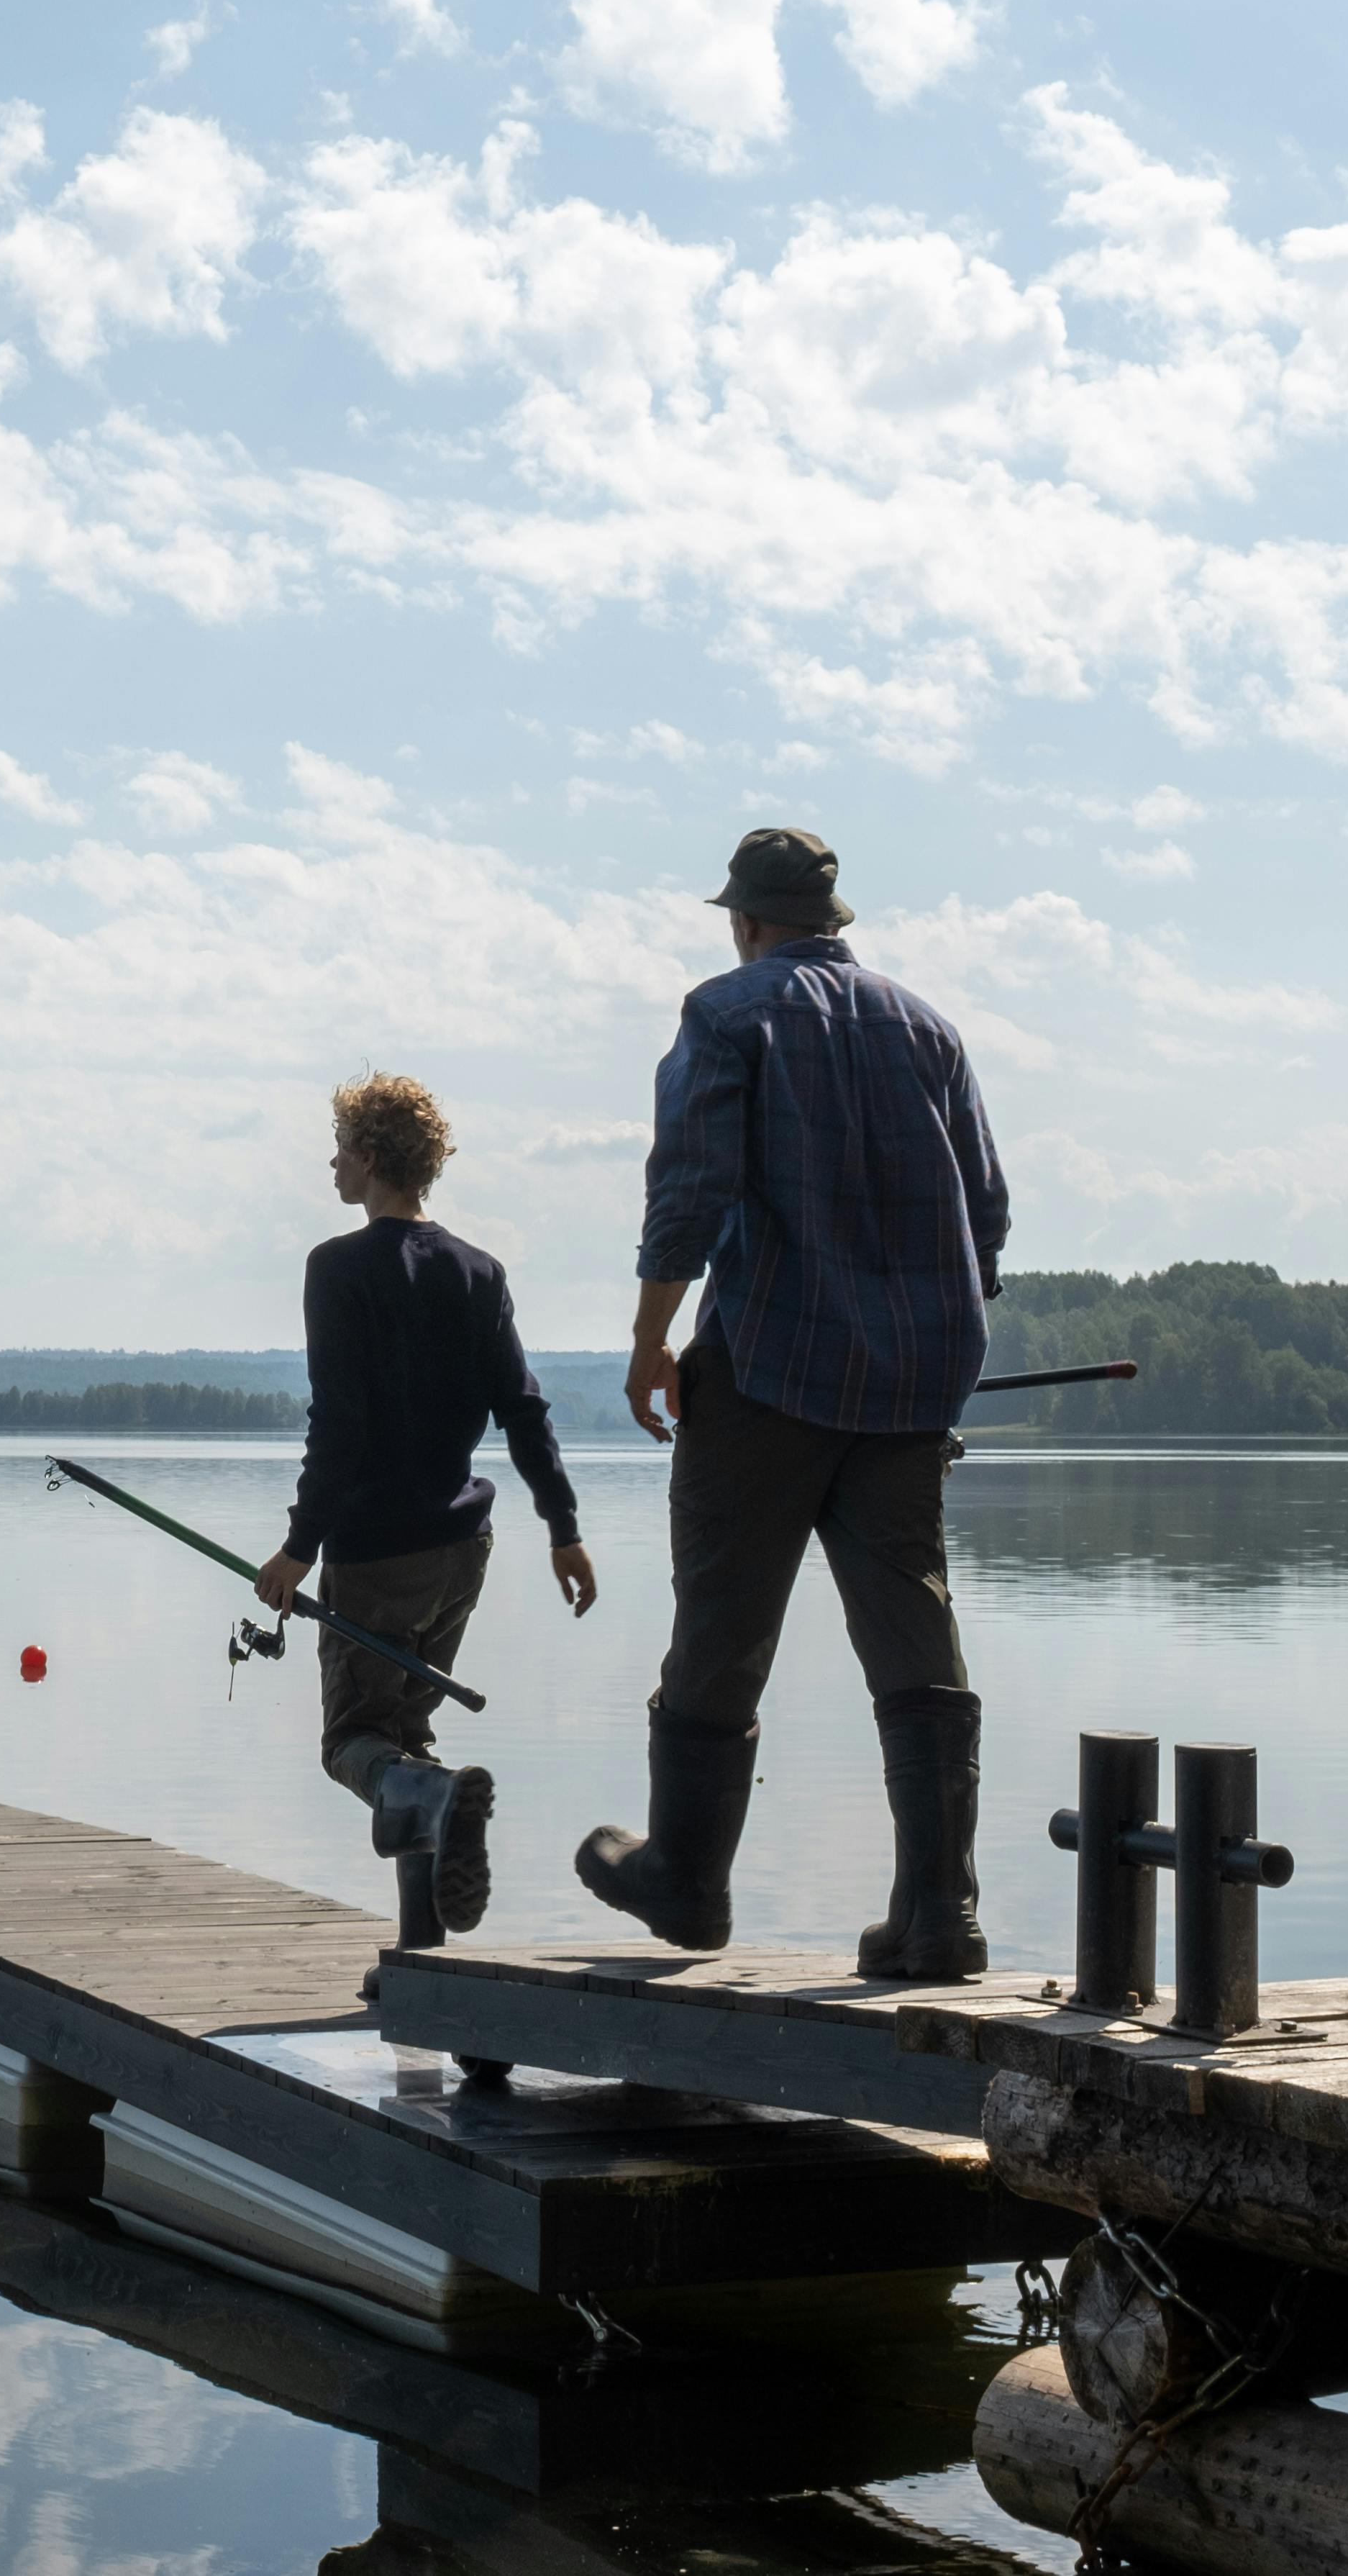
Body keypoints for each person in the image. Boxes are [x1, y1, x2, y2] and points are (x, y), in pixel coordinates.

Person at [575, 827, 1010, 1979]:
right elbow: (988, 1215)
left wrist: (650, 1339)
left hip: (767, 1371)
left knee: (723, 1620)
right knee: (913, 1630)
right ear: (834, 918)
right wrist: (930, 1338)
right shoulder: (931, 1029)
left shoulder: (727, 1013)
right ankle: (941, 1915)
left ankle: (687, 1882)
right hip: (912, 1385)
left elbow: (692, 1192)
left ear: (745, 922)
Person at [252, 1072, 600, 1933]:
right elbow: (524, 1409)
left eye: (339, 1147)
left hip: (377, 1550)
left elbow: (340, 1423)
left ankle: (436, 1799)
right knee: (405, 1732)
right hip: (462, 1551)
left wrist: (300, 1548)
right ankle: (420, 1952)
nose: (331, 1162)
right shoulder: (479, 1272)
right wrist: (563, 1529)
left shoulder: (336, 1268)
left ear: (369, 1157)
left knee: (356, 1743)